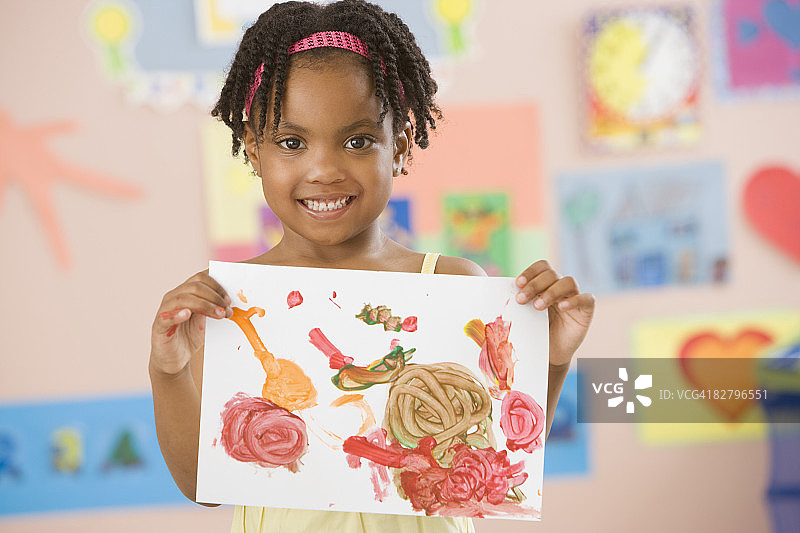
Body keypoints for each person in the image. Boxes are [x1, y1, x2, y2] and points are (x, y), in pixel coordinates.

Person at [149, 1, 595, 532]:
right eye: (292, 143)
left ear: (400, 145)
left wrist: (553, 357)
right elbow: (204, 486)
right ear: (254, 149)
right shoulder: (234, 307)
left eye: (357, 141)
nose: (324, 170)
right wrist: (169, 370)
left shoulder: (453, 287)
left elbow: (497, 458)